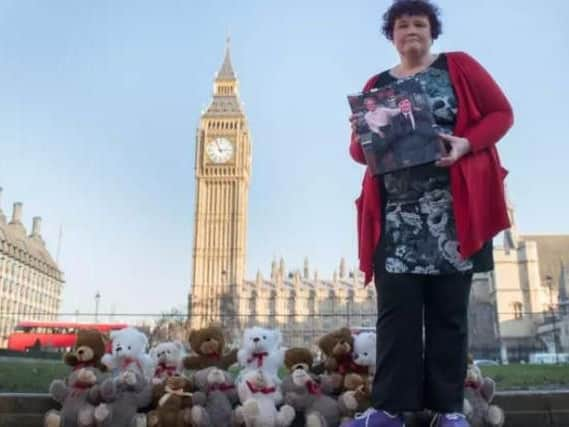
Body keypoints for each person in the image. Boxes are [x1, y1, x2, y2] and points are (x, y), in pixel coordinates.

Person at [347, 1, 513, 427]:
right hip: (397, 220)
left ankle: (447, 411)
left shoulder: (459, 67)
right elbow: (357, 154)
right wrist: (363, 135)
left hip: (453, 217)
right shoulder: (378, 84)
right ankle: (388, 409)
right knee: (396, 317)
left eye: (419, 23)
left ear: (432, 31)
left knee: (449, 317)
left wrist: (465, 143)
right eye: (402, 26)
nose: (411, 31)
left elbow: (501, 114)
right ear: (393, 36)